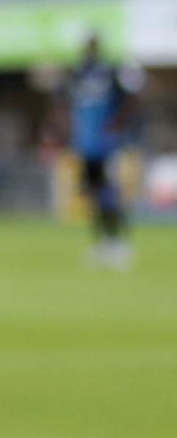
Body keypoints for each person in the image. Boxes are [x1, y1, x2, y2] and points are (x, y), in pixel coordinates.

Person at [62, 34, 141, 269]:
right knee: (93, 194)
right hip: (86, 144)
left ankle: (119, 243)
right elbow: (68, 104)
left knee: (109, 194)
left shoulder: (111, 72)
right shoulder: (77, 75)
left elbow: (131, 97)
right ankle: (102, 243)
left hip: (106, 144)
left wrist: (116, 124)